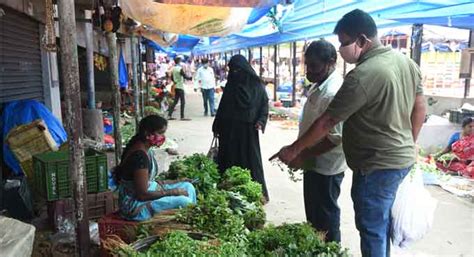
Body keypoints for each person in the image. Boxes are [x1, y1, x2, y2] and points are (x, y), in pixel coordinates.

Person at [271, 9, 426, 257]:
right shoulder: (406, 62)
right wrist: (409, 141)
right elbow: (420, 106)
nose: (342, 49)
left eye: (344, 43)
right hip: (399, 160)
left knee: (372, 227)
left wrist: (295, 149)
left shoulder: (361, 75)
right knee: (380, 223)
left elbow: (328, 122)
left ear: (362, 40)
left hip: (376, 165)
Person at [295, 40, 346, 242]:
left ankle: (331, 250)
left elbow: (335, 138)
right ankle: (317, 248)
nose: (309, 71)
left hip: (327, 165)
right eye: (307, 65)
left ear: (331, 62)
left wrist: (301, 153)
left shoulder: (333, 92)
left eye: (314, 66)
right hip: (313, 162)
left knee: (326, 213)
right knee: (314, 213)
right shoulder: (321, 84)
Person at [114, 115, 196, 221]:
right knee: (184, 202)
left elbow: (149, 181)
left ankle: (187, 221)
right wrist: (173, 192)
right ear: (148, 134)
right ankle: (185, 221)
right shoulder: (139, 157)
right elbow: (142, 195)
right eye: (161, 133)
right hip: (135, 206)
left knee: (188, 187)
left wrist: (177, 181)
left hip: (148, 191)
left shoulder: (146, 149)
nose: (163, 137)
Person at [212, 54, 270, 202]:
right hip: (228, 131)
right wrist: (217, 124)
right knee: (229, 160)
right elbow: (223, 107)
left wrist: (261, 121)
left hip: (248, 131)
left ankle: (256, 194)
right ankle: (228, 192)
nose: (234, 73)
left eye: (237, 69)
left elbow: (264, 105)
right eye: (232, 70)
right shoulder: (231, 85)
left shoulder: (257, 86)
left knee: (250, 161)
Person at [168, 56, 191, 120]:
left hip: (176, 86)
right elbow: (184, 76)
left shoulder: (174, 69)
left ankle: (169, 115)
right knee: (182, 101)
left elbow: (172, 77)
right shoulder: (179, 69)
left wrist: (175, 81)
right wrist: (190, 78)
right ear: (179, 62)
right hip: (180, 86)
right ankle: (182, 116)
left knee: (175, 101)